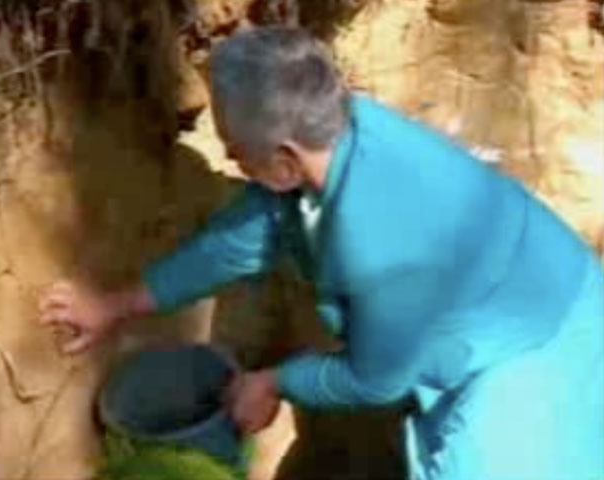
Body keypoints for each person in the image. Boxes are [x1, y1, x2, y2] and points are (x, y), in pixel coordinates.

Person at [38, 27, 604, 480]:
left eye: (237, 154)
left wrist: (275, 381)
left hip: (539, 347)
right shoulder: (335, 136)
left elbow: (376, 380)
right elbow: (237, 241)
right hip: (517, 292)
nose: (232, 163)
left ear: (285, 159)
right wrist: (113, 306)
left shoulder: (379, 243)